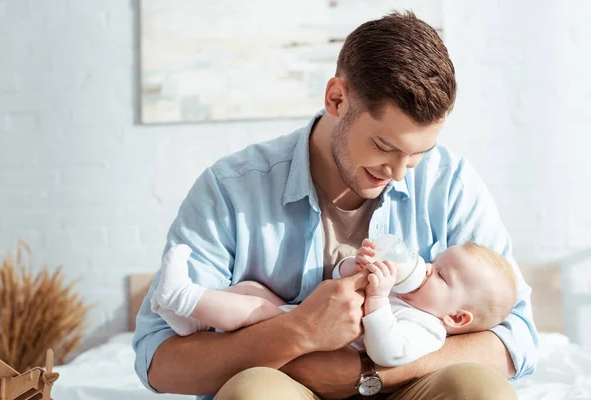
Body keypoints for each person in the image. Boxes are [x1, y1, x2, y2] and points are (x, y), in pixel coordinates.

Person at [133, 10, 538, 400]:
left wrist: (365, 374)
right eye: (384, 146)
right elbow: (158, 360)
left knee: (482, 391)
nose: (399, 173)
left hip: (409, 383)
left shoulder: (449, 182)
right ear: (336, 98)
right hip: (283, 382)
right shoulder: (230, 190)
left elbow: (515, 335)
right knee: (252, 393)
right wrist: (299, 334)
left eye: (417, 154)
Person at [151, 240, 517, 370]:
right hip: (300, 317)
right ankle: (191, 321)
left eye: (440, 276)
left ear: (456, 317)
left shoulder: (428, 329)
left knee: (257, 311)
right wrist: (355, 265)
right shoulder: (405, 295)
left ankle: (180, 296)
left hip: (303, 339)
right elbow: (338, 283)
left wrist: (377, 298)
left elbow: (388, 351)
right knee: (251, 290)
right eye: (434, 261)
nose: (425, 268)